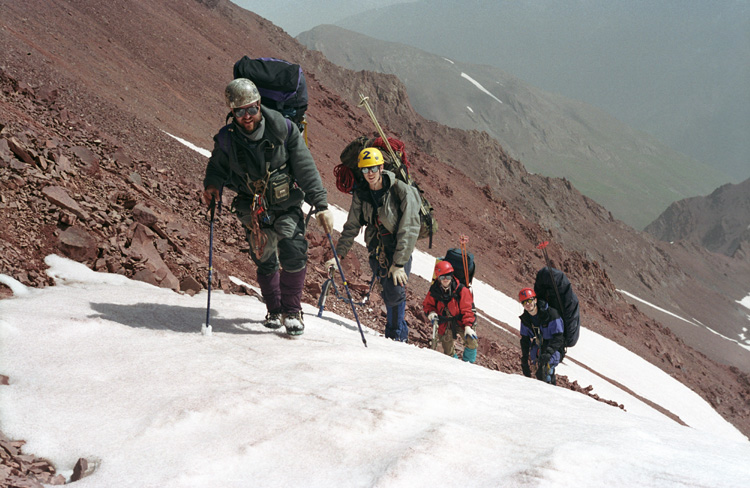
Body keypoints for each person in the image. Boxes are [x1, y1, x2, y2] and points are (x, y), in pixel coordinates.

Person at [202, 78, 334, 336]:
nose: (247, 116)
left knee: (293, 250)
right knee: (263, 258)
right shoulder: (227, 140)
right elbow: (216, 167)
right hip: (253, 210)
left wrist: (321, 204)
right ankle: (274, 310)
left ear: (260, 105)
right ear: (232, 112)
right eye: (239, 111)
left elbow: (305, 167)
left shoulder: (283, 130)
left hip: (286, 204)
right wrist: (212, 186)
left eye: (251, 109)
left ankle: (292, 312)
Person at [326, 147, 421, 342]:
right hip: (376, 249)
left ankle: (396, 336)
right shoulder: (361, 194)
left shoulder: (400, 190)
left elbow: (409, 228)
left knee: (395, 291)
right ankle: (395, 334)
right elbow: (351, 226)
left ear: (381, 167)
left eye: (373, 168)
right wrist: (339, 256)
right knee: (387, 292)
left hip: (397, 248)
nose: (369, 173)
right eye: (365, 169)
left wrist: (399, 263)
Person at [423, 260, 478, 363]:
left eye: (448, 277)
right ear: (438, 277)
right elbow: (428, 305)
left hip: (461, 321)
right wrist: (431, 312)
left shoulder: (461, 290)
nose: (445, 280)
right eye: (442, 277)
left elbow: (468, 309)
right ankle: (454, 365)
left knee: (472, 342)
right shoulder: (434, 290)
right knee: (447, 350)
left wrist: (468, 326)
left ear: (452, 276)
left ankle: (468, 366)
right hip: (445, 323)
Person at [518, 287, 565, 384]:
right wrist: (524, 359)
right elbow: (525, 340)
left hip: (554, 348)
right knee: (539, 373)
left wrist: (548, 353)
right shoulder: (526, 319)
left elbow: (559, 337)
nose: (527, 304)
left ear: (535, 300)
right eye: (524, 302)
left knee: (546, 371)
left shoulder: (551, 315)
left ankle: (550, 389)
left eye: (529, 300)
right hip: (539, 347)